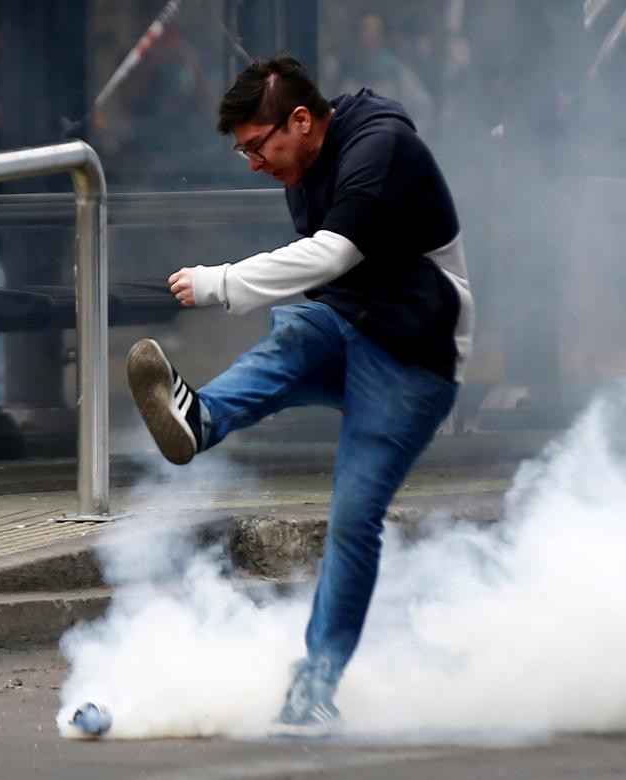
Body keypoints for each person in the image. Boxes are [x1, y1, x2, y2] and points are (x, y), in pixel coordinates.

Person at [125, 55, 473, 735]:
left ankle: (316, 686)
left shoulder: (379, 146)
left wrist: (220, 281)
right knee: (297, 331)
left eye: (258, 146)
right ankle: (201, 418)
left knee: (351, 519)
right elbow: (325, 282)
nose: (255, 163)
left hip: (415, 359)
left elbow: (330, 256)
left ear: (302, 120)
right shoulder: (304, 169)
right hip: (347, 330)